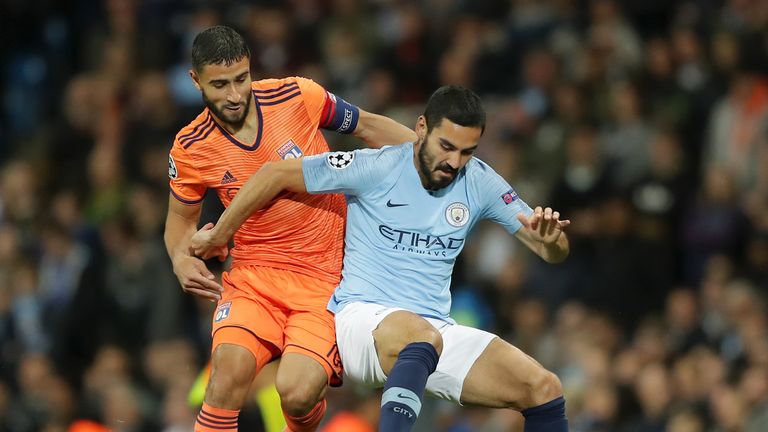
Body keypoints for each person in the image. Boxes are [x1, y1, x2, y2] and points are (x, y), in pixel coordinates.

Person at [191, 85, 571, 431]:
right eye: (446, 146)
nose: (454, 162)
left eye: (466, 151)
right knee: (418, 338)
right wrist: (222, 232)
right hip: (361, 319)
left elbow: (549, 250)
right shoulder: (375, 167)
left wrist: (551, 241)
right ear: (421, 127)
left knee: (543, 387)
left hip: (434, 331)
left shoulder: (480, 181)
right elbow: (274, 174)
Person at [163, 25, 416, 432]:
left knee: (297, 394)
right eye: (220, 84)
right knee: (226, 376)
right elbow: (179, 221)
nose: (233, 95)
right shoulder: (190, 146)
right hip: (253, 277)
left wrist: (431, 159)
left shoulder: (297, 95)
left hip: (325, 279)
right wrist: (179, 259)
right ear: (196, 80)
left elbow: (368, 126)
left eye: (241, 79)